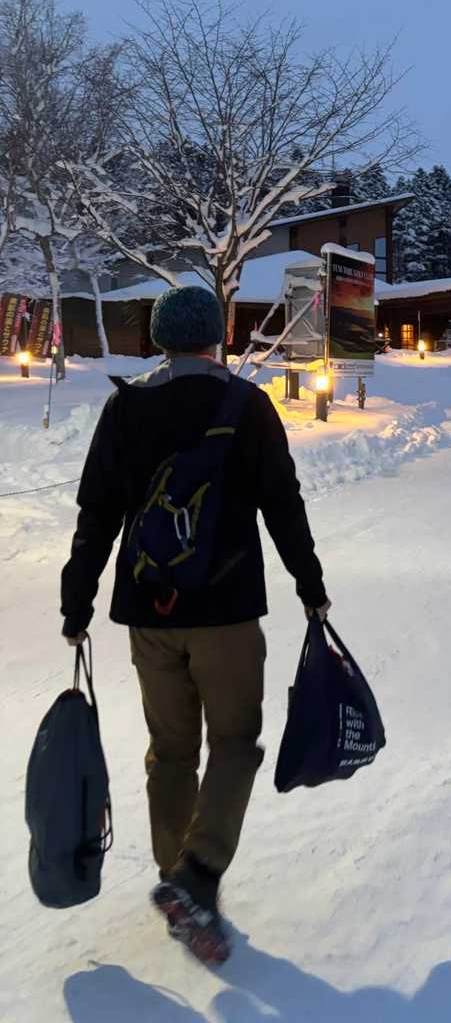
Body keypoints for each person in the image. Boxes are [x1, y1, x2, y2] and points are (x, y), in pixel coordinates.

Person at [60, 286, 329, 964]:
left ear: (159, 339)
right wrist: (311, 586)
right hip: (227, 613)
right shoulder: (247, 406)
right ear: (217, 337)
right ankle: (197, 875)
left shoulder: (126, 407)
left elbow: (97, 513)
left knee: (171, 750)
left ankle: (174, 876)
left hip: (148, 613)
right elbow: (283, 505)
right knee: (234, 742)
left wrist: (77, 602)